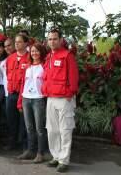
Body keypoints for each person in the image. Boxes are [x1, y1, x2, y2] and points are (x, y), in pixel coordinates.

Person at [42, 29, 79, 173]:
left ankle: (64, 160)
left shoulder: (67, 55)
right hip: (51, 98)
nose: (52, 41)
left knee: (65, 130)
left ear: (61, 39)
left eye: (55, 39)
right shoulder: (49, 56)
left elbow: (74, 77)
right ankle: (56, 156)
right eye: (50, 39)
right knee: (52, 130)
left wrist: (70, 92)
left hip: (64, 98)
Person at [17, 43, 48, 163]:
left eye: (37, 51)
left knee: (39, 128)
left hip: (38, 99)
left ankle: (41, 153)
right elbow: (23, 85)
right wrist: (20, 101)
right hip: (26, 98)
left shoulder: (44, 66)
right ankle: (30, 151)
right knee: (29, 127)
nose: (34, 53)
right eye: (32, 51)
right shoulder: (28, 67)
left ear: (41, 52)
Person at [5, 34, 30, 150]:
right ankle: (12, 142)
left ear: (26, 43)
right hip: (11, 93)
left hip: (24, 94)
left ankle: (24, 144)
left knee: (24, 121)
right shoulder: (10, 58)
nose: (17, 44)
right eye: (16, 42)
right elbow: (7, 74)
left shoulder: (30, 58)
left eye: (19, 42)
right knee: (11, 119)